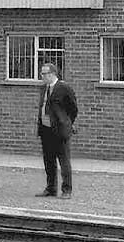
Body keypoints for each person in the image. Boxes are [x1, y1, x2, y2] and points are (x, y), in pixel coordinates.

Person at [36, 62, 78, 199]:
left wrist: (66, 122)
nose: (42, 76)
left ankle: (67, 190)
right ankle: (51, 188)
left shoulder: (63, 88)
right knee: (48, 160)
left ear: (53, 74)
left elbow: (73, 108)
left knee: (63, 160)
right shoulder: (44, 88)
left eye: (44, 74)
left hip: (60, 130)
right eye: (41, 73)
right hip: (46, 129)